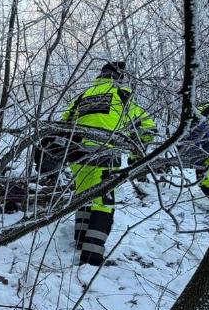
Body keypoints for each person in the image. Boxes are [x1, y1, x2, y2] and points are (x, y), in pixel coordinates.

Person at [62, 61, 156, 266]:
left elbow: (64, 121)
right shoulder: (121, 94)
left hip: (76, 152)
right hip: (104, 151)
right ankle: (92, 255)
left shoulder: (83, 95)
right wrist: (140, 147)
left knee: (84, 195)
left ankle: (81, 240)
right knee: (104, 202)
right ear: (119, 76)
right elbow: (145, 124)